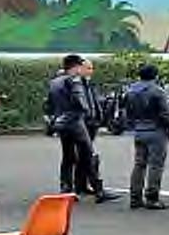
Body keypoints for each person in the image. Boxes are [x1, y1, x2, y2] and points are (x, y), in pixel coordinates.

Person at [47, 55, 117, 202]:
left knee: (68, 156)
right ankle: (99, 190)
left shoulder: (54, 82)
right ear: (75, 67)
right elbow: (80, 101)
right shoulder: (74, 80)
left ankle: (66, 188)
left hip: (61, 122)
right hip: (75, 121)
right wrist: (86, 112)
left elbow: (49, 104)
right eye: (80, 66)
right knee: (89, 154)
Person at [123, 64, 169, 210]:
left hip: (139, 130)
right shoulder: (157, 91)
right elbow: (166, 114)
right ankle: (152, 198)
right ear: (155, 76)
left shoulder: (130, 91)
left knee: (139, 164)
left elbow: (127, 112)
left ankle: (135, 197)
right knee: (155, 165)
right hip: (156, 130)